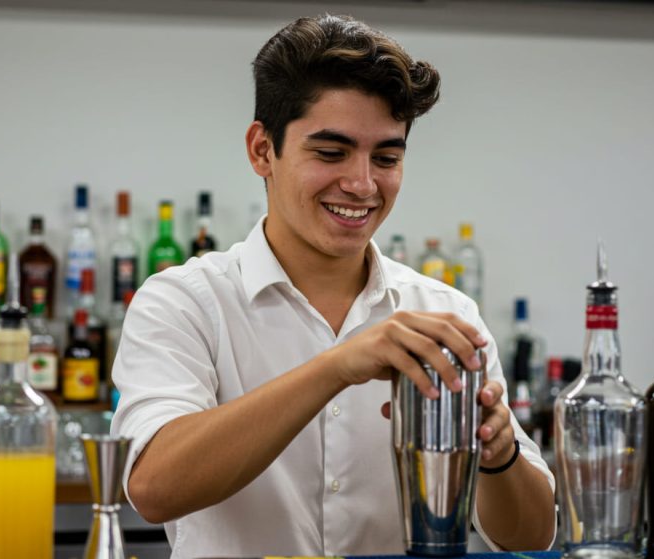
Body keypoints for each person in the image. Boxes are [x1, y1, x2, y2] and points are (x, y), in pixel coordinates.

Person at [111, 14, 556, 558]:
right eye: (331, 152)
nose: (363, 184)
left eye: (387, 158)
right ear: (261, 150)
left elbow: (533, 537)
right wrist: (339, 364)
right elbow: (153, 488)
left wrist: (500, 454)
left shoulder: (443, 311)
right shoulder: (183, 302)